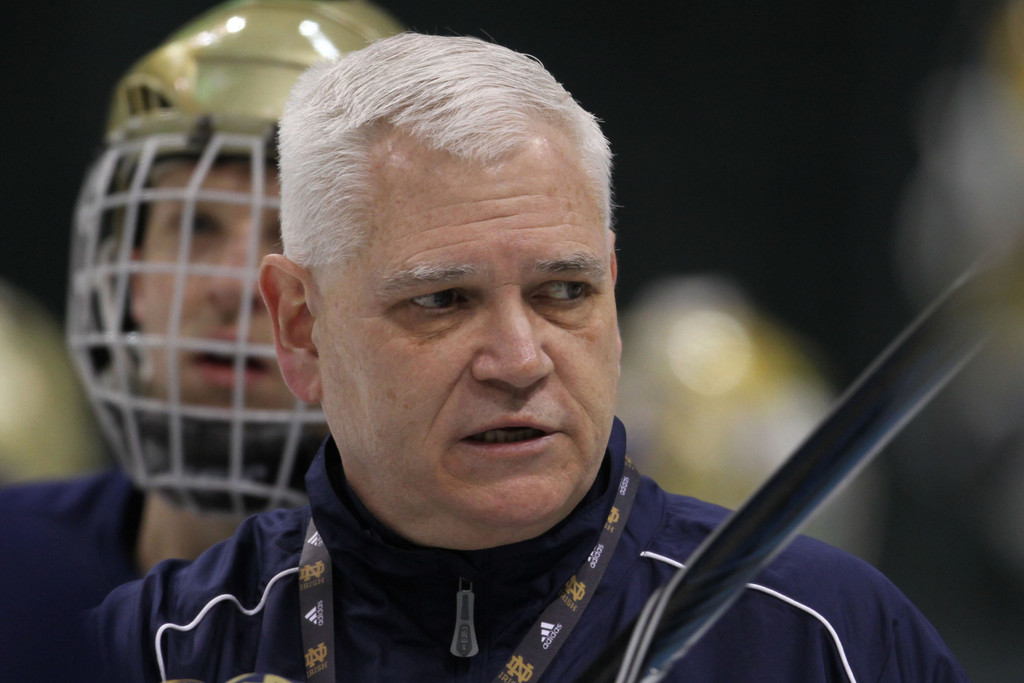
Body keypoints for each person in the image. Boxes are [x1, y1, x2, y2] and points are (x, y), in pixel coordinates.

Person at [91, 32, 968, 682]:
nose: (519, 359)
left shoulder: (825, 637)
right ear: (298, 325)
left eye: (564, 292)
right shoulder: (162, 646)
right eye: (441, 300)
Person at [0, 1, 403, 680]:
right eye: (194, 228)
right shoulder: (14, 565)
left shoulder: (485, 609)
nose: (233, 282)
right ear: (130, 278)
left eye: (292, 238)